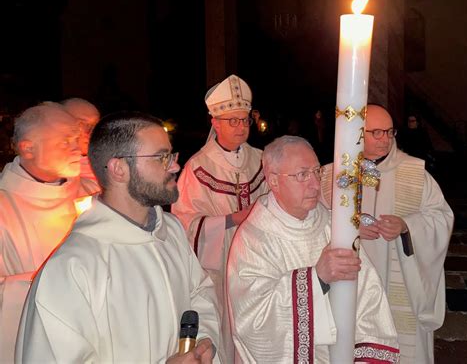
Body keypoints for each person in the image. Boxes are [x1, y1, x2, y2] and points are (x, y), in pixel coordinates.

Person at [16, 111, 221, 363]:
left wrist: (204, 341)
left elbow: (200, 292)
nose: (175, 165)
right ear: (119, 169)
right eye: (161, 157)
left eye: (172, 155)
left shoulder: (171, 231)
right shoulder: (72, 265)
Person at [227, 136, 400, 363]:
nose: (316, 185)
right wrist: (315, 278)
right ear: (273, 181)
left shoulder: (332, 224)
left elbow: (368, 292)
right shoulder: (253, 239)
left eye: (317, 172)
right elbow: (252, 320)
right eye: (302, 175)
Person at [320, 104, 453, 363]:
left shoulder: (414, 173)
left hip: (399, 287)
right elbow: (312, 220)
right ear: (358, 133)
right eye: (377, 133)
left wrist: (407, 226)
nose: (386, 139)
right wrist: (348, 228)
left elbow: (441, 216)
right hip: (349, 287)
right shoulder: (332, 174)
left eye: (390, 132)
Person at [172, 75, 268, 362]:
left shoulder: (262, 158)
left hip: (260, 260)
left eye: (244, 120)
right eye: (232, 121)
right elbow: (184, 222)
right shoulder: (197, 167)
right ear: (215, 122)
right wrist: (231, 219)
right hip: (220, 267)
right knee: (227, 332)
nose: (241, 127)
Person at [0, 102, 100, 362]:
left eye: (77, 140)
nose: (78, 149)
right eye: (65, 141)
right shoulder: (3, 208)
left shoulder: (93, 194)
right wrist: (56, 283)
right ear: (28, 148)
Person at [62, 97, 101, 181]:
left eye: (95, 125)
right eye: (81, 124)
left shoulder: (105, 162)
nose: (91, 131)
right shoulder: (51, 170)